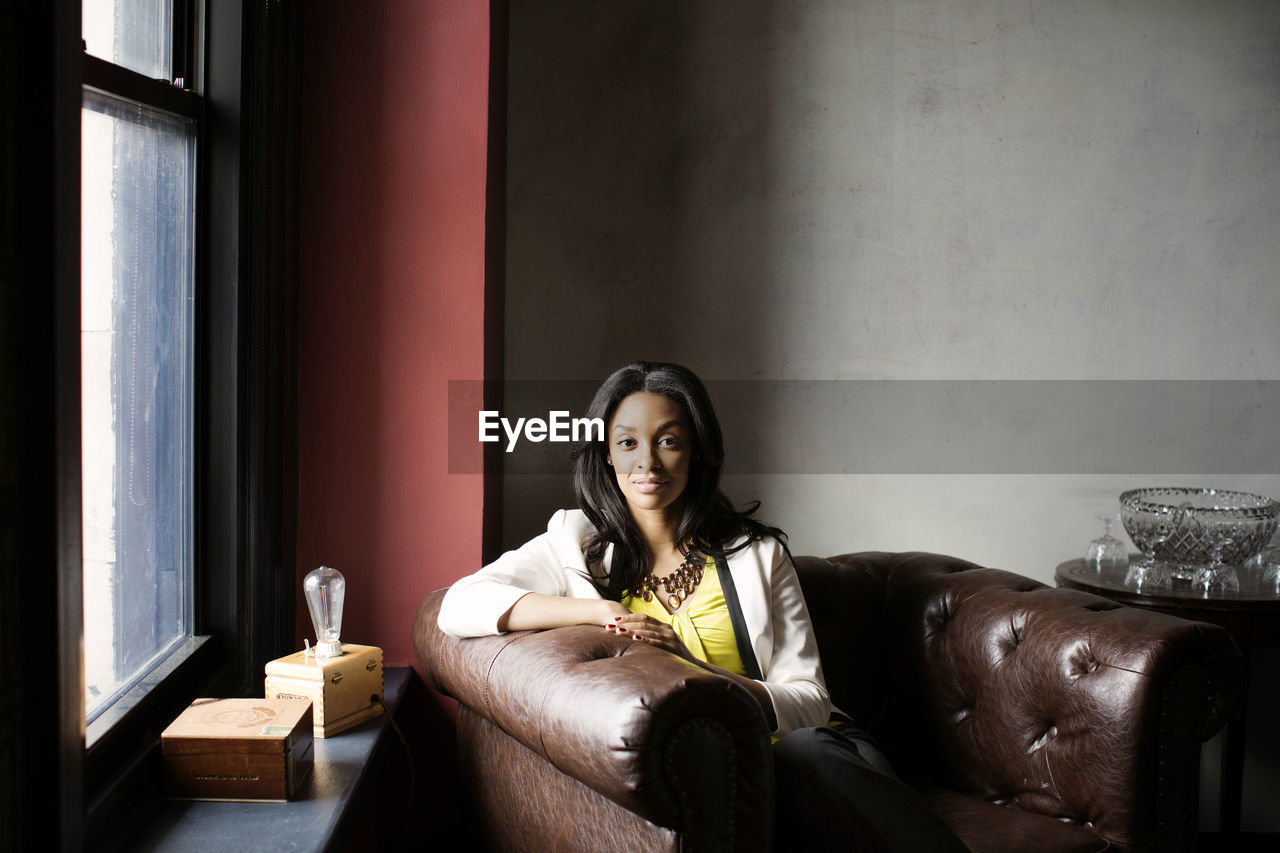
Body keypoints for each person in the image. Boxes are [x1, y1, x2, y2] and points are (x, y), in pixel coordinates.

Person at [438, 361, 969, 852]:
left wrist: (692, 670)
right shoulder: (573, 544)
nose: (647, 462)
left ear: (696, 451)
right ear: (606, 453)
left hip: (820, 753)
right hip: (708, 771)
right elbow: (458, 606)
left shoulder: (757, 556)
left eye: (668, 441)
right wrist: (595, 614)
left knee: (798, 754)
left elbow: (809, 701)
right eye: (627, 443)